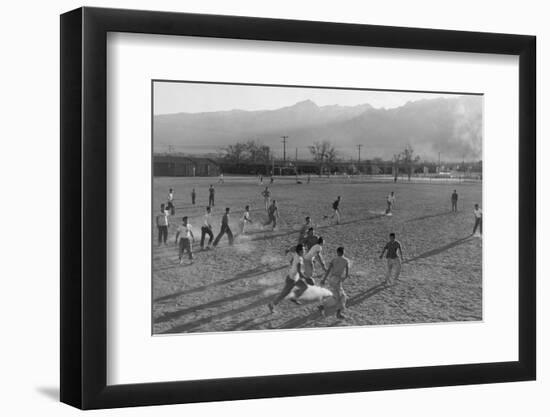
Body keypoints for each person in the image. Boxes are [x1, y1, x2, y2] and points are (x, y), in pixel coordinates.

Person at [268, 244, 308, 313]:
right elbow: (300, 272)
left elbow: (294, 248)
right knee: (283, 295)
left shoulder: (296, 253)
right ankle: (271, 305)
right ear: (300, 251)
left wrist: (288, 250)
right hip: (291, 280)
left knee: (304, 287)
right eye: (304, 250)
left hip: (295, 278)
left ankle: (293, 298)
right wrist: (307, 278)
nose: (305, 251)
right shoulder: (299, 260)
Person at [318, 246, 350, 319]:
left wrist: (324, 279)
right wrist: (343, 279)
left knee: (337, 297)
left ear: (337, 252)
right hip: (337, 280)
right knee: (342, 297)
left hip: (331, 279)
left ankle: (323, 307)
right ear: (343, 252)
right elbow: (347, 274)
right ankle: (337, 313)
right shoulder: (346, 260)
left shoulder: (333, 260)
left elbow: (328, 270)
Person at [292, 237, 328, 301]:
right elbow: (318, 256)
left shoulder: (316, 246)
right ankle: (303, 290)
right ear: (321, 242)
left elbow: (313, 255)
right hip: (308, 261)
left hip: (307, 260)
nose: (324, 243)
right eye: (323, 242)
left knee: (309, 275)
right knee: (309, 278)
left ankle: (304, 287)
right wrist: (322, 265)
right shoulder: (319, 247)